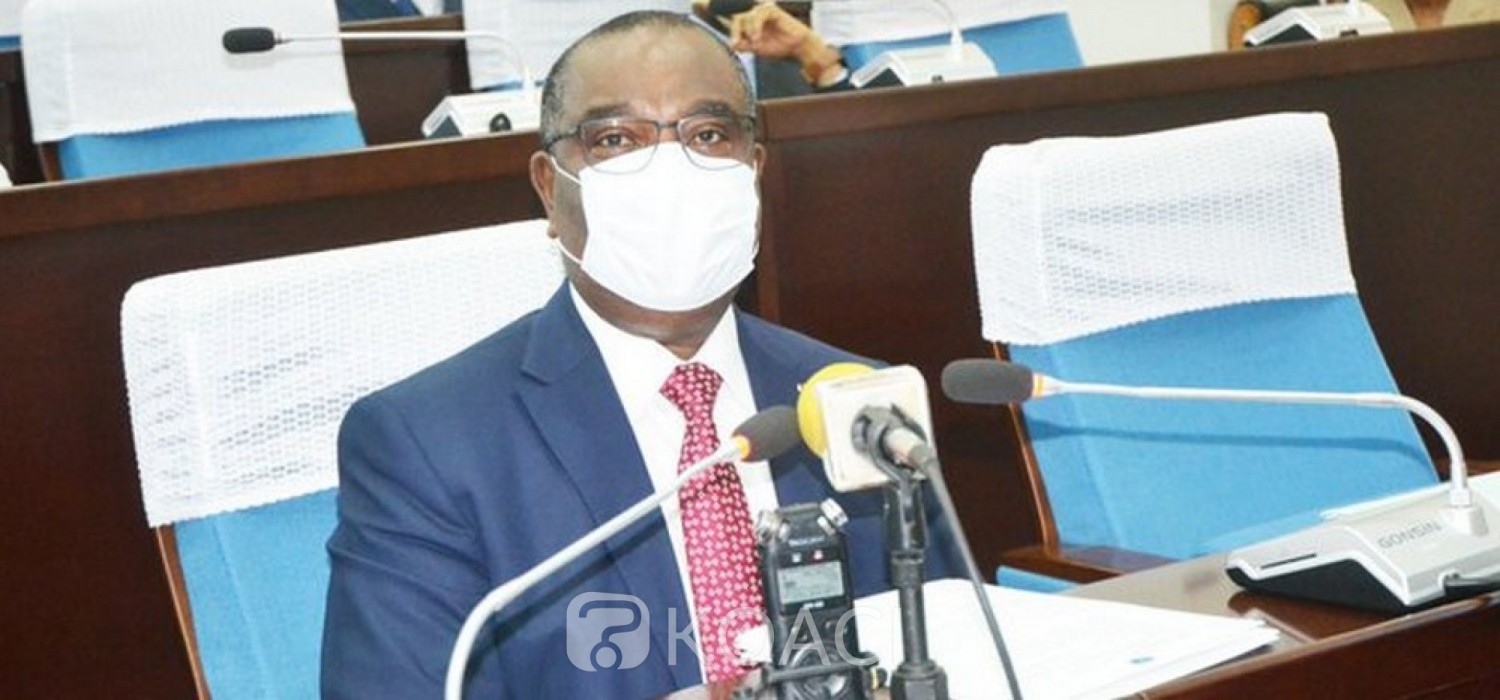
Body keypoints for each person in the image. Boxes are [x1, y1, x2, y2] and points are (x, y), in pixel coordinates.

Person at [321, 10, 960, 699]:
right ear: (549, 188)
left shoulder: (859, 404)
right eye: (616, 140)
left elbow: (955, 650)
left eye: (708, 134)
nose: (670, 173)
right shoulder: (429, 444)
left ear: (753, 171)